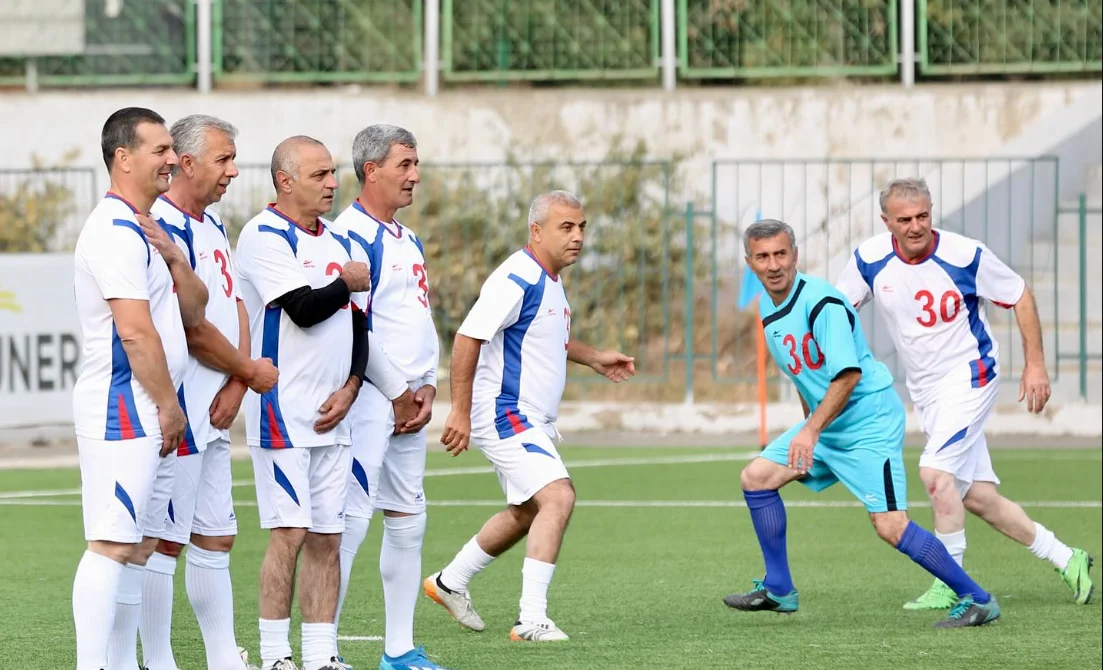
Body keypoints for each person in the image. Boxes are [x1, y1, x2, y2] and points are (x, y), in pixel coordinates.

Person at [722, 218, 1001, 629]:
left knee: (890, 526)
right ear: (750, 263)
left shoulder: (822, 303)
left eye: (781, 253)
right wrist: (807, 429)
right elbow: (804, 377)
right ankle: (779, 589)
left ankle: (978, 599)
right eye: (763, 257)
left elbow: (847, 375)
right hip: (828, 425)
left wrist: (811, 431)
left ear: (795, 256)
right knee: (757, 477)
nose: (774, 264)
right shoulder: (767, 307)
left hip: (868, 422)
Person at [835, 177, 1094, 609]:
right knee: (974, 496)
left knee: (935, 476)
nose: (916, 226)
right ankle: (1068, 558)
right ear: (886, 222)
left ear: (931, 212)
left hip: (971, 375)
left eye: (923, 216)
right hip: (926, 390)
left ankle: (951, 581)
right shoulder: (869, 258)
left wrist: (1035, 365)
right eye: (905, 219)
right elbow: (839, 311)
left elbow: (1020, 295)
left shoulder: (964, 254)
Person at [423, 190, 636, 642]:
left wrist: (594, 356)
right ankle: (531, 619)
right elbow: (468, 337)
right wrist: (458, 410)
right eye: (566, 227)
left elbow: (545, 336)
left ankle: (449, 582)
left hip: (527, 417)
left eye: (581, 227)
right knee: (559, 497)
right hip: (505, 412)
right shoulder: (518, 276)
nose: (577, 236)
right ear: (536, 231)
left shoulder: (549, 278)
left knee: (526, 512)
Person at [138, 114, 279, 670]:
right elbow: (191, 327)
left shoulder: (213, 223)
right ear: (187, 163)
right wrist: (246, 369)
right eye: (223, 160)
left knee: (215, 537)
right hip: (183, 409)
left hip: (217, 408)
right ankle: (157, 659)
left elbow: (236, 305)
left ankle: (223, 657)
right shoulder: (161, 227)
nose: (234, 171)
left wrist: (239, 381)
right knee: (163, 541)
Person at [234, 136, 371, 670]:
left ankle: (321, 656)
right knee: (289, 533)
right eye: (320, 175)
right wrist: (347, 282)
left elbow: (359, 323)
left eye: (333, 173)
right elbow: (305, 310)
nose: (333, 184)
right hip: (284, 414)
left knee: (328, 538)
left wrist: (354, 385)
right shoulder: (265, 236)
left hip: (335, 414)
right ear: (285, 181)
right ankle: (274, 655)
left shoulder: (335, 240)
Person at [70, 107, 200, 670]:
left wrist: (174, 255)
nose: (173, 159)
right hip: (126, 407)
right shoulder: (112, 230)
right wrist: (169, 406)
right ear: (123, 158)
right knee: (112, 544)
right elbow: (134, 330)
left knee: (141, 548)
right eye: (160, 150)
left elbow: (195, 309)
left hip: (154, 407)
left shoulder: (149, 229)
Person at [331, 125, 446, 670]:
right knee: (348, 520)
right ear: (370, 170)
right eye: (403, 164)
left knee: (407, 517)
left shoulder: (406, 236)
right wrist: (399, 391)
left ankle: (399, 650)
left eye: (416, 163)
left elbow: (415, 318)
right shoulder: (350, 236)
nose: (414, 174)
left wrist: (427, 382)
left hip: (409, 401)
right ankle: (320, 648)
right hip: (371, 401)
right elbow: (356, 327)